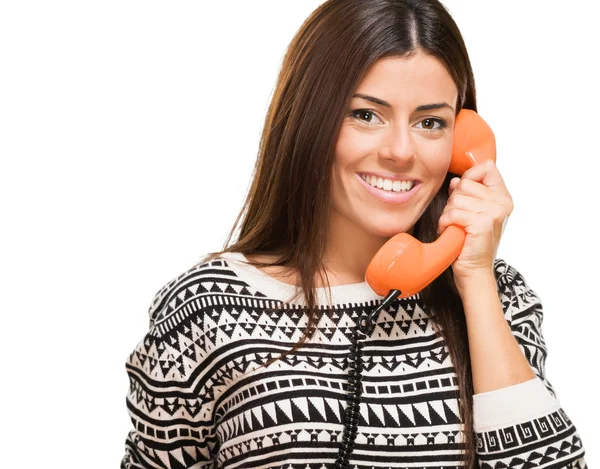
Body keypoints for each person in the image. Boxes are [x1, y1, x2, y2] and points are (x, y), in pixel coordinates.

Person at [121, 0, 587, 468]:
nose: (401, 152)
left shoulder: (496, 296)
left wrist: (476, 280)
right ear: (310, 119)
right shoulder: (204, 309)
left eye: (430, 123)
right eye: (366, 115)